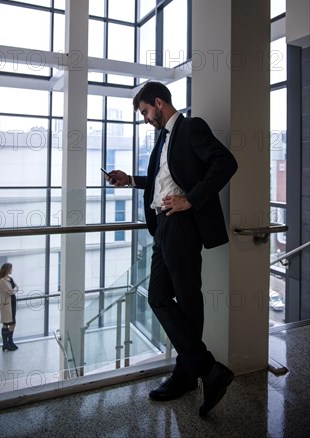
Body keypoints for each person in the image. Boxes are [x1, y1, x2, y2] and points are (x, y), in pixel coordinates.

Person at [106, 81, 238, 417]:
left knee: (188, 298)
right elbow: (165, 180)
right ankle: (207, 369)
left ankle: (186, 374)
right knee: (159, 297)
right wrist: (130, 180)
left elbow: (226, 163)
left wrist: (190, 200)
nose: (146, 118)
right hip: (163, 225)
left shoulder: (191, 127)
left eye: (146, 111)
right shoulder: (163, 139)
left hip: (181, 224)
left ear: (160, 103)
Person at [0, 262, 19, 352]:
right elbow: (11, 291)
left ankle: (8, 343)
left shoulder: (10, 278)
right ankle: (7, 343)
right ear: (7, 269)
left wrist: (14, 290)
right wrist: (14, 290)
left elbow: (17, 287)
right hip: (6, 305)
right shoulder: (2, 281)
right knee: (9, 323)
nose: (12, 270)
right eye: (11, 268)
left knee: (8, 323)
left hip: (12, 303)